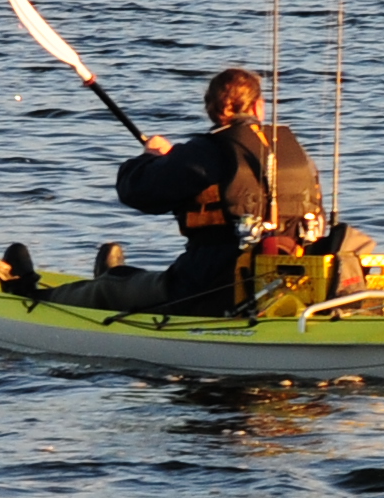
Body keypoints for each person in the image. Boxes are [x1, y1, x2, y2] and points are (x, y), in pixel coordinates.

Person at [91, 67, 324, 315]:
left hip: (210, 285)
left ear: (212, 109)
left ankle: (75, 291)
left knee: (107, 290)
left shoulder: (205, 152)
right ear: (258, 107)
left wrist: (149, 158)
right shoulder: (295, 153)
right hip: (293, 277)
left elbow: (135, 191)